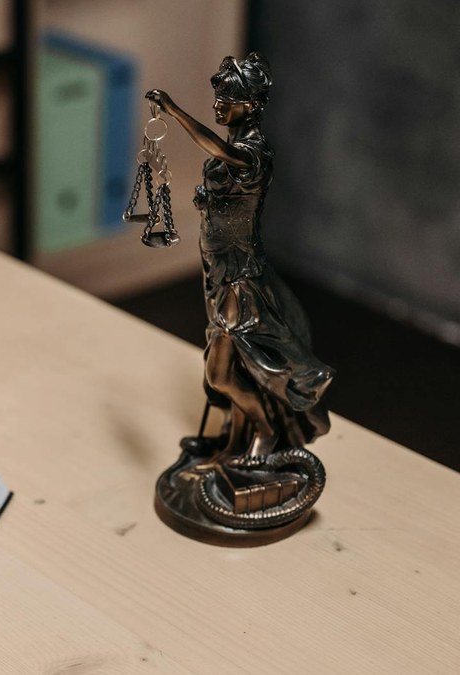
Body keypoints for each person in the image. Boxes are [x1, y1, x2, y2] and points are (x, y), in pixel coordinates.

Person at [146, 53, 333, 464]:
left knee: (223, 370)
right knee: (228, 370)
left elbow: (212, 146)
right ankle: (235, 438)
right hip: (217, 268)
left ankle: (264, 432)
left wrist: (175, 111)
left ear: (250, 106)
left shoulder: (254, 154)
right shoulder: (232, 150)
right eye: (218, 96)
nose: (218, 105)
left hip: (240, 277)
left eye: (226, 98)